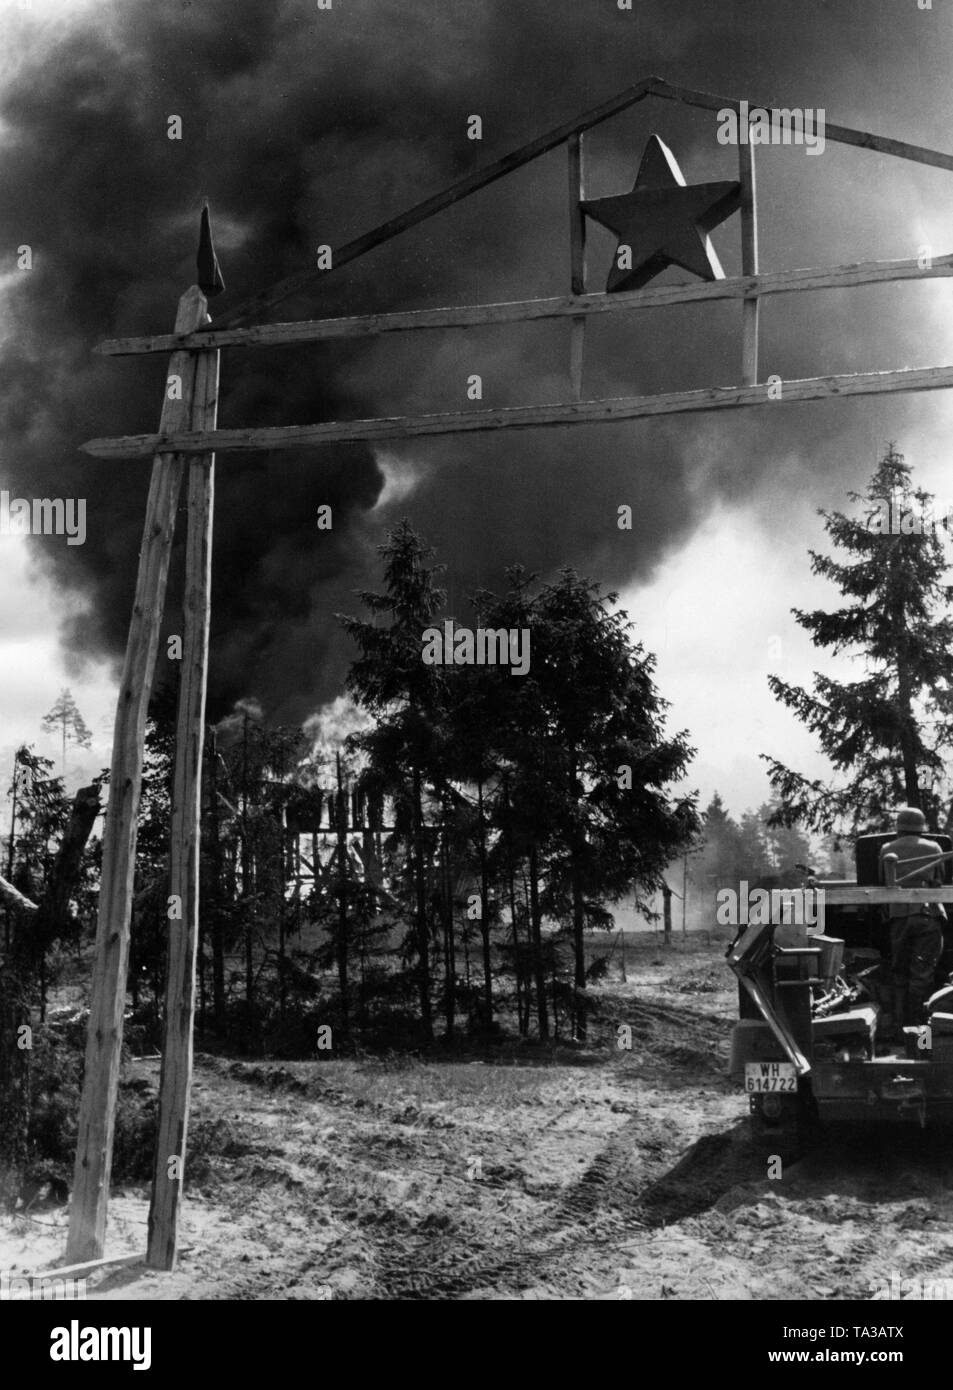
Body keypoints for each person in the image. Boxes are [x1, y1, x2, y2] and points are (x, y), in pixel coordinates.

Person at [879, 807, 946, 1032]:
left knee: (899, 972)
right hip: (927, 916)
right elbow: (939, 880)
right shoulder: (934, 847)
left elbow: (883, 881)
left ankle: (899, 1029)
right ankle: (921, 1030)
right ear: (921, 827)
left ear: (899, 826)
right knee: (923, 974)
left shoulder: (887, 849)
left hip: (898, 917)